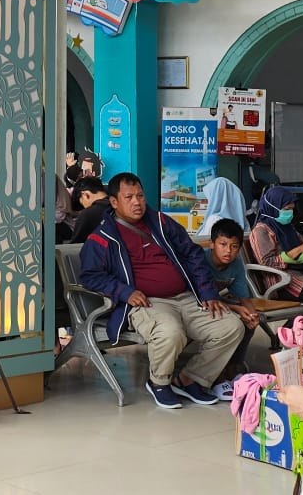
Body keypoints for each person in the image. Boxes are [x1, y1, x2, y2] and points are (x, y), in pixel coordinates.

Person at [79, 172, 243, 409]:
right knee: (171, 332)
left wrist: (207, 293)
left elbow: (192, 253)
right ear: (114, 202)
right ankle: (159, 383)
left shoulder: (161, 222)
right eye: (129, 197)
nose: (137, 202)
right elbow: (90, 276)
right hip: (147, 302)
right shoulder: (102, 237)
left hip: (186, 297)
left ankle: (190, 379)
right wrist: (125, 292)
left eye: (140, 196)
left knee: (230, 326)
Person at [203, 218, 265, 397]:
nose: (228, 251)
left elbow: (243, 298)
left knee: (248, 322)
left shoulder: (236, 264)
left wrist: (252, 315)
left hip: (218, 303)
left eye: (234, 246)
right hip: (196, 303)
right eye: (223, 244)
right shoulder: (201, 260)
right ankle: (217, 375)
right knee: (231, 322)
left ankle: (233, 368)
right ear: (212, 244)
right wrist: (237, 309)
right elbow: (201, 297)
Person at [248, 186, 303, 301]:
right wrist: (296, 252)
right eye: (286, 209)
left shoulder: (287, 227)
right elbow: (267, 262)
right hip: (282, 282)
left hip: (300, 273)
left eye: (292, 209)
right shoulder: (261, 230)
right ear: (273, 208)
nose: (290, 213)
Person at [68, 178, 111, 244]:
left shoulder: (88, 214)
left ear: (85, 195)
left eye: (82, 204)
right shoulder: (121, 207)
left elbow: (74, 247)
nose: (84, 208)